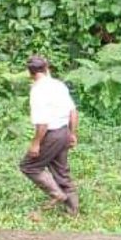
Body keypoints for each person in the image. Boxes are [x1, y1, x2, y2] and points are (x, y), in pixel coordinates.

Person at [19, 55, 79, 215]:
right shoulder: (58, 85)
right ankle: (73, 211)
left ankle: (57, 194)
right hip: (64, 131)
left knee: (29, 166)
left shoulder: (37, 90)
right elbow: (73, 111)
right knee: (61, 171)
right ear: (47, 69)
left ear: (30, 73)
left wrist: (36, 143)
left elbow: (43, 122)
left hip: (51, 134)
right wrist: (72, 134)